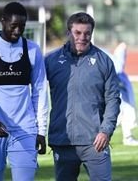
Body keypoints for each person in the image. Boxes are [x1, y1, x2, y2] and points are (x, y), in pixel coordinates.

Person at [0, 2, 48, 181]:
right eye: (14, 26)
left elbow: (40, 91)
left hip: (25, 130)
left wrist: (42, 130)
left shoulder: (33, 50)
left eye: (22, 26)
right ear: (2, 21)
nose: (18, 31)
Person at [45, 12, 121, 181]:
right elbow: (35, 95)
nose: (83, 37)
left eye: (87, 33)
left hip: (95, 142)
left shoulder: (103, 61)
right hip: (62, 141)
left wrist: (105, 131)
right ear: (68, 33)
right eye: (77, 33)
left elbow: (113, 99)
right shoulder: (50, 61)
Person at [112, 42, 138, 145]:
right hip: (117, 89)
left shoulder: (120, 72)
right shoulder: (116, 67)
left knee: (127, 112)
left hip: (121, 88)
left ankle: (128, 136)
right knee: (118, 114)